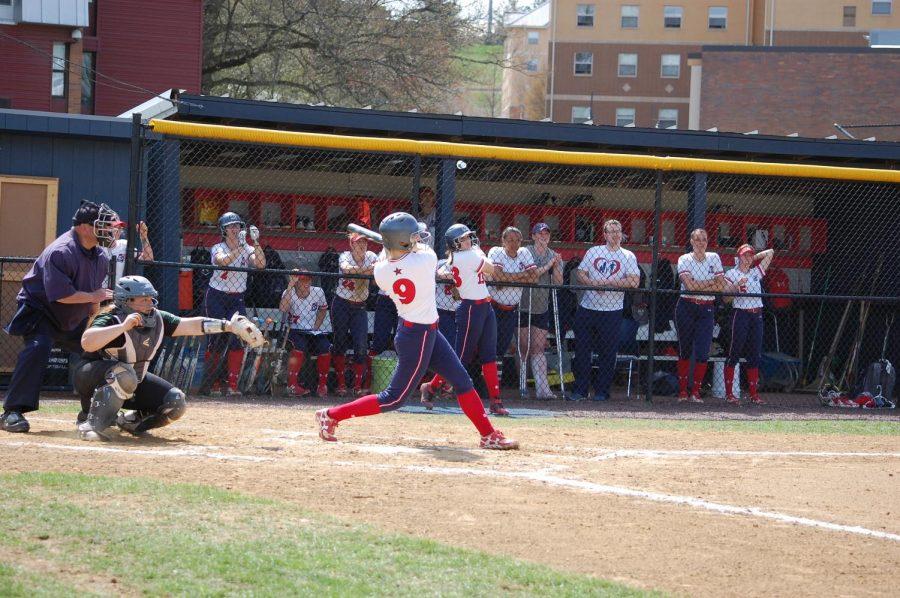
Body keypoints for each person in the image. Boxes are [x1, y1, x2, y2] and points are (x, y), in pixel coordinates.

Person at [315, 213, 518, 450]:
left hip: (423, 331)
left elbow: (389, 258)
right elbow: (413, 250)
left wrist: (393, 247)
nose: (418, 239)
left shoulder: (381, 272)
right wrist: (397, 246)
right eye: (412, 237)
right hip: (417, 337)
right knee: (394, 398)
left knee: (463, 380)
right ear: (401, 242)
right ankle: (331, 415)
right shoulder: (425, 259)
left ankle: (488, 434)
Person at [75, 276, 263, 440]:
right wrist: (123, 327)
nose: (150, 304)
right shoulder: (112, 319)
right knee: (124, 375)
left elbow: (189, 325)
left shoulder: (156, 318)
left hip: (131, 381)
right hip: (90, 377)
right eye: (144, 299)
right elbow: (87, 342)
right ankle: (90, 424)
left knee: (175, 402)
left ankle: (129, 422)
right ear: (126, 301)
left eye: (151, 299)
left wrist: (228, 326)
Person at [1, 201, 116, 434]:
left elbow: (92, 296)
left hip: (73, 316)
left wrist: (94, 323)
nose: (109, 231)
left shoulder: (101, 256)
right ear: (84, 227)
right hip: (41, 311)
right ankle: (12, 412)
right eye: (102, 226)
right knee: (38, 347)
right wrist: (95, 295)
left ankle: (93, 411)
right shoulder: (61, 251)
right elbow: (62, 295)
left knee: (99, 350)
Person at [420, 223, 509, 416]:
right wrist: (480, 254)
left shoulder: (461, 256)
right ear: (455, 244)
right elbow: (491, 270)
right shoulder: (468, 255)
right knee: (461, 356)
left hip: (484, 306)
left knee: (489, 354)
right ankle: (431, 387)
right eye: (464, 239)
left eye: (469, 237)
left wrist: (478, 253)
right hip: (470, 308)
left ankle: (495, 400)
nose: (469, 241)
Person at [569, 219, 640, 402]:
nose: (615, 235)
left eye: (618, 231)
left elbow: (634, 281)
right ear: (605, 234)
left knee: (607, 353)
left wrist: (608, 283)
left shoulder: (628, 256)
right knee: (582, 350)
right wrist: (594, 283)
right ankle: (580, 390)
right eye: (611, 231)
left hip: (612, 311)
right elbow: (581, 273)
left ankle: (602, 392)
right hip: (588, 308)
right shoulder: (594, 251)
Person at [202, 212, 265, 396]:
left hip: (236, 298)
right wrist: (242, 246)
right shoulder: (218, 247)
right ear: (223, 230)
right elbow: (223, 261)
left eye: (237, 226)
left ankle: (232, 385)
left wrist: (256, 243)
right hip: (216, 296)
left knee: (238, 338)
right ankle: (211, 383)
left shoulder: (247, 247)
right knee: (216, 339)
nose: (235, 229)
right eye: (230, 226)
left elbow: (260, 264)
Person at [675, 228, 725, 402]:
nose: (701, 243)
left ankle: (695, 392)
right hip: (686, 306)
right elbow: (689, 286)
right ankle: (682, 392)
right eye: (697, 240)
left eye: (704, 239)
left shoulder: (714, 257)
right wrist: (711, 282)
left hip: (706, 308)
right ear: (691, 241)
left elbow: (721, 287)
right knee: (685, 350)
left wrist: (701, 284)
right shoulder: (684, 259)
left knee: (703, 351)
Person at [723, 245, 774, 405]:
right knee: (735, 352)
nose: (747, 258)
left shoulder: (755, 272)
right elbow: (726, 299)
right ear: (738, 256)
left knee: (754, 354)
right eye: (745, 255)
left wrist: (754, 257)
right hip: (741, 313)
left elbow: (771, 253)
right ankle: (730, 394)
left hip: (756, 314)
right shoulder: (731, 273)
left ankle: (754, 394)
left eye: (750, 255)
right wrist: (736, 286)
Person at [518, 223, 563, 400]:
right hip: (523, 304)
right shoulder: (526, 251)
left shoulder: (553, 255)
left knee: (538, 347)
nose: (544, 236)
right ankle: (522, 385)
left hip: (541, 306)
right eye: (540, 233)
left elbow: (558, 283)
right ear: (534, 236)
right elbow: (532, 275)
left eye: (546, 233)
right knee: (524, 347)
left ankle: (542, 389)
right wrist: (549, 264)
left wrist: (557, 265)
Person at [331, 232, 377, 396]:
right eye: (358, 243)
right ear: (351, 244)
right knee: (340, 341)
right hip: (342, 303)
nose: (362, 245)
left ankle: (357, 386)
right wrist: (366, 271)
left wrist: (363, 271)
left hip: (360, 306)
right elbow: (346, 269)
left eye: (364, 242)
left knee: (361, 345)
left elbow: (377, 272)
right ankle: (341, 384)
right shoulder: (345, 255)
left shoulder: (371, 255)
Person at [486, 227, 537, 374]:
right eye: (510, 240)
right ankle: (482, 384)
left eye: (517, 240)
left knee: (502, 347)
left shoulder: (524, 252)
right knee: (489, 346)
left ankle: (495, 385)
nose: (514, 244)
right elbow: (498, 277)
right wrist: (523, 275)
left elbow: (535, 278)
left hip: (511, 309)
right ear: (503, 241)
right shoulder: (496, 251)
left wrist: (508, 278)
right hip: (492, 307)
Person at [279, 269, 331, 397]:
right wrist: (291, 285)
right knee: (299, 347)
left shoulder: (318, 292)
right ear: (296, 281)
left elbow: (323, 309)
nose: (306, 283)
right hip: (294, 330)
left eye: (308, 280)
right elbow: (283, 308)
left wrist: (316, 326)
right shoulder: (289, 292)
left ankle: (322, 385)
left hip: (312, 331)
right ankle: (292, 386)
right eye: (302, 280)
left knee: (325, 347)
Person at [102, 220, 154, 288]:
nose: (118, 231)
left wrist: (144, 237)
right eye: (115, 227)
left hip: (116, 292)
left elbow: (148, 259)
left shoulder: (123, 245)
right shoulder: (95, 245)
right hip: (97, 290)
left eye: (120, 228)